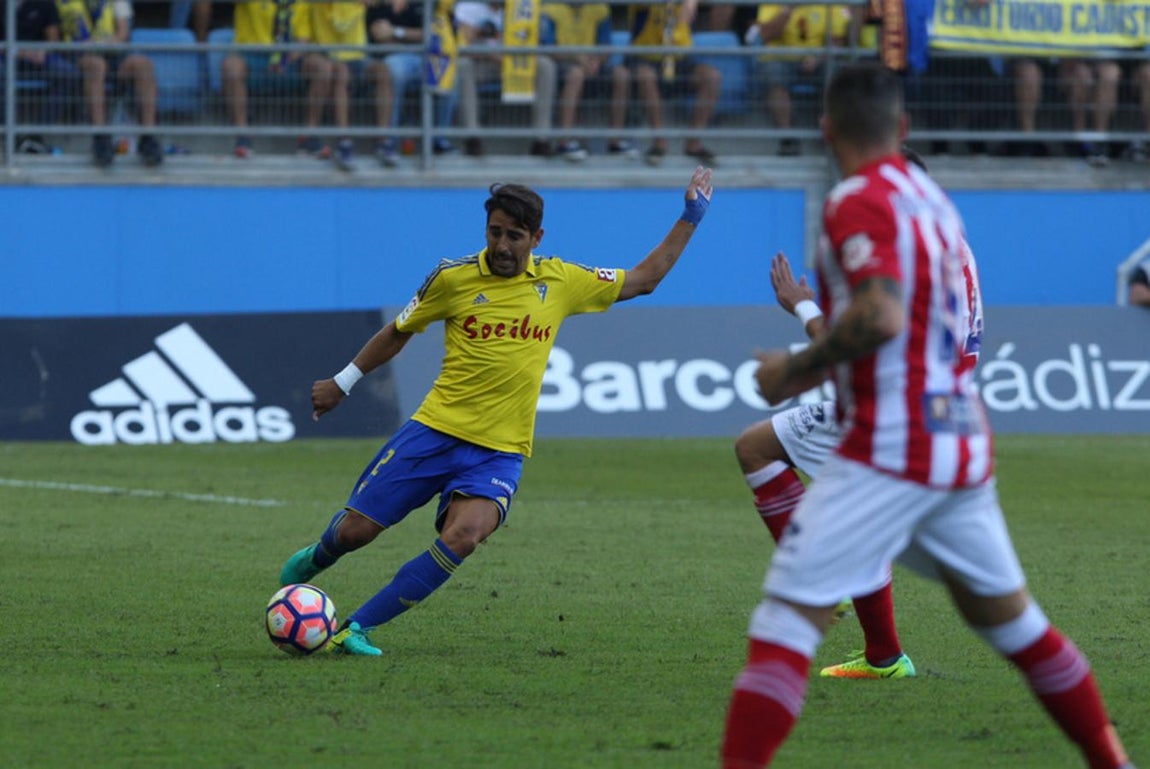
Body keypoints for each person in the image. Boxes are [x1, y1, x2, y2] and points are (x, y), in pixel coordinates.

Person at [721, 63, 1133, 768]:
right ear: (903, 128)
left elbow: (878, 314)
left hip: (891, 437)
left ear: (827, 131)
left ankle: (872, 652)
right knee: (1015, 624)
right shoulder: (936, 204)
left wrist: (790, 370)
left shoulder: (857, 199)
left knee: (784, 627)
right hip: (959, 435)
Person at [278, 166, 714, 656]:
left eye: (515, 236)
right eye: (495, 233)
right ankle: (319, 556)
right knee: (356, 532)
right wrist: (343, 381)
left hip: (500, 451)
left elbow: (645, 279)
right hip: (434, 432)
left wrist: (691, 215)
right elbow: (399, 330)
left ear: (537, 237)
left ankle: (355, 627)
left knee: (464, 536)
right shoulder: (453, 278)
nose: (503, 246)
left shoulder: (562, 280)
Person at [735, 149, 985, 680]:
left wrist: (802, 310)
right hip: (943, 405)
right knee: (762, 449)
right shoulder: (952, 246)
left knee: (757, 449)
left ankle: (831, 587)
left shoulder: (905, 250)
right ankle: (883, 656)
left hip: (894, 405)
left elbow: (859, 345)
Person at [57, 0, 164, 166]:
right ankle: (100, 138)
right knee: (96, 66)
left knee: (143, 65)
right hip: (77, 55)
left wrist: (107, 44)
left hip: (111, 53)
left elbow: (123, 32)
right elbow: (54, 33)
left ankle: (148, 136)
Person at [221, 0, 331, 159]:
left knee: (322, 67)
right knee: (230, 66)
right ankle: (242, 136)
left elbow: (303, 40)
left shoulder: (301, 3)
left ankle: (309, 136)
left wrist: (284, 59)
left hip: (288, 61)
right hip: (252, 57)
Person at [744, 2, 852, 156]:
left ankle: (830, 135)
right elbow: (764, 34)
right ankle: (787, 136)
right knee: (771, 72)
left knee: (835, 73)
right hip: (780, 57)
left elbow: (838, 40)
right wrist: (789, 9)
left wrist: (818, 58)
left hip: (817, 58)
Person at [453, 1, 558, 157]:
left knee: (545, 65)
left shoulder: (524, 8)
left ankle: (541, 139)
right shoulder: (467, 8)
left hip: (518, 62)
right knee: (462, 65)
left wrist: (511, 57)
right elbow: (461, 48)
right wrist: (491, 52)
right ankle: (472, 137)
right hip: (482, 63)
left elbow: (534, 41)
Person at [540, 1, 637, 162]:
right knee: (576, 74)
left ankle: (615, 142)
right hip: (563, 62)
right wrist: (577, 58)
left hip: (593, 63)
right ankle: (564, 142)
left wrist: (597, 61)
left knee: (622, 74)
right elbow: (549, 47)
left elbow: (605, 46)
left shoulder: (600, 8)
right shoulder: (550, 8)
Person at [366, 0, 459, 166]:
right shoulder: (379, 4)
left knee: (447, 70)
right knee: (394, 69)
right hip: (389, 57)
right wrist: (412, 37)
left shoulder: (424, 4)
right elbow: (379, 34)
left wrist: (396, 31)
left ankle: (438, 139)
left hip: (424, 56)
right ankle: (388, 141)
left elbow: (432, 33)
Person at [628, 0, 721, 166]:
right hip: (647, 57)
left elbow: (687, 17)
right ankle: (659, 143)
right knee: (645, 75)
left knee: (711, 76)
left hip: (679, 59)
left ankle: (694, 143)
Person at [306, 0, 368, 170]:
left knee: (341, 71)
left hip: (354, 58)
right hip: (321, 55)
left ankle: (344, 141)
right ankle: (313, 136)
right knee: (329, 69)